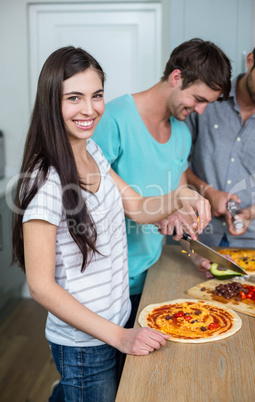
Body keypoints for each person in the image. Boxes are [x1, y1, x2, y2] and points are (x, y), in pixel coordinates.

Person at [12, 46, 210, 402]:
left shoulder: (91, 153)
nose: (89, 109)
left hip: (113, 322)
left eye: (97, 95)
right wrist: (120, 337)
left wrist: (179, 198)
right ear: (51, 103)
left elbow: (135, 206)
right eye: (74, 98)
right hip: (85, 345)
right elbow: (40, 287)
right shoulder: (45, 181)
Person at [92, 38, 232, 324]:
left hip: (150, 277)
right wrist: (156, 212)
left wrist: (193, 252)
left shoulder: (181, 133)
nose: (201, 111)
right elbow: (89, 199)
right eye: (199, 99)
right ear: (176, 77)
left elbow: (177, 202)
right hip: (106, 286)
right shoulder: (114, 118)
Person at [186, 32, 255, 256]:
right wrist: (208, 192)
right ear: (250, 60)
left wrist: (251, 212)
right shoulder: (207, 100)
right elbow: (175, 163)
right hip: (198, 235)